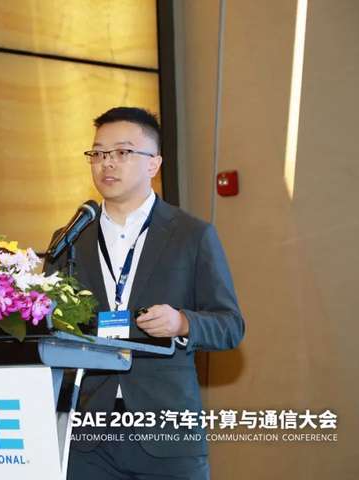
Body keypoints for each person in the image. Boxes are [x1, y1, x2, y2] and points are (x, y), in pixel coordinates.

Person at [44, 107, 244, 480]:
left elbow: (231, 325)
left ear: (154, 164)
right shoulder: (71, 238)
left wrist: (182, 323)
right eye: (98, 153)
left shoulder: (191, 234)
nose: (107, 163)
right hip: (89, 432)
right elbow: (47, 324)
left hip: (166, 429)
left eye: (122, 152)